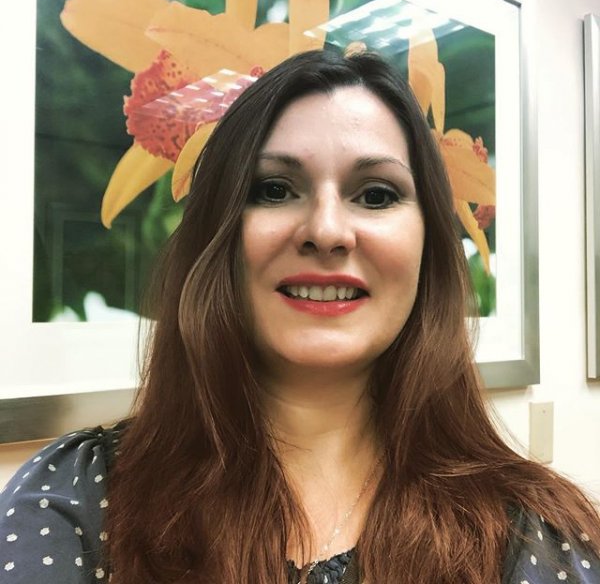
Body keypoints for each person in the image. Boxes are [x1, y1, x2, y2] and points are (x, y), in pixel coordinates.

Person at [1, 49, 599, 584]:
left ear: (431, 246)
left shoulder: (534, 532)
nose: (327, 231)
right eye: (274, 189)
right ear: (218, 236)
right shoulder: (75, 501)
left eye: (376, 195)